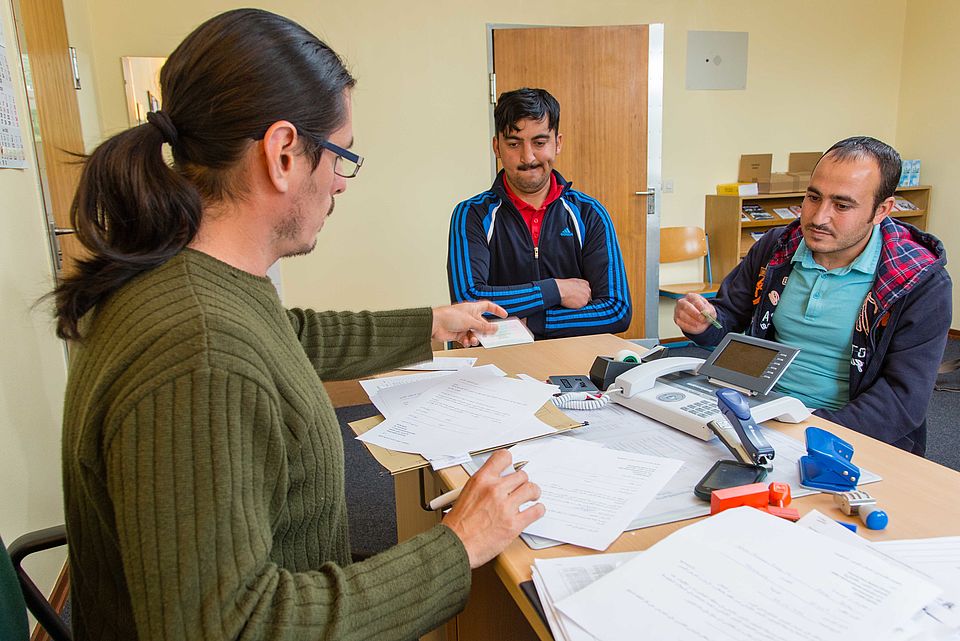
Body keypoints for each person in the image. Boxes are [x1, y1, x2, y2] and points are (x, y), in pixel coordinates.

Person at [54, 10, 544, 641]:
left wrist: (431, 323)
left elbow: (290, 337)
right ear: (283, 153)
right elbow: (228, 628)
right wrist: (457, 545)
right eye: (339, 155)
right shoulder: (199, 352)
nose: (342, 182)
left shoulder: (196, 277)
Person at [675, 136, 951, 455]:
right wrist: (701, 323)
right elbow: (726, 319)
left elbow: (902, 401)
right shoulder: (777, 248)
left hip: (847, 436)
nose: (819, 218)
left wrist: (806, 431)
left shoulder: (919, 282)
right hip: (757, 414)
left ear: (882, 210)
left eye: (842, 205)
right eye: (813, 197)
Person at [447, 88, 631, 339]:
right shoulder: (471, 214)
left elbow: (616, 310)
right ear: (496, 147)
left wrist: (530, 322)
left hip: (573, 356)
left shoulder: (590, 213)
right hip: (500, 360)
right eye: (514, 144)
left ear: (558, 144)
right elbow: (467, 302)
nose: (528, 157)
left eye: (540, 142)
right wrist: (555, 290)